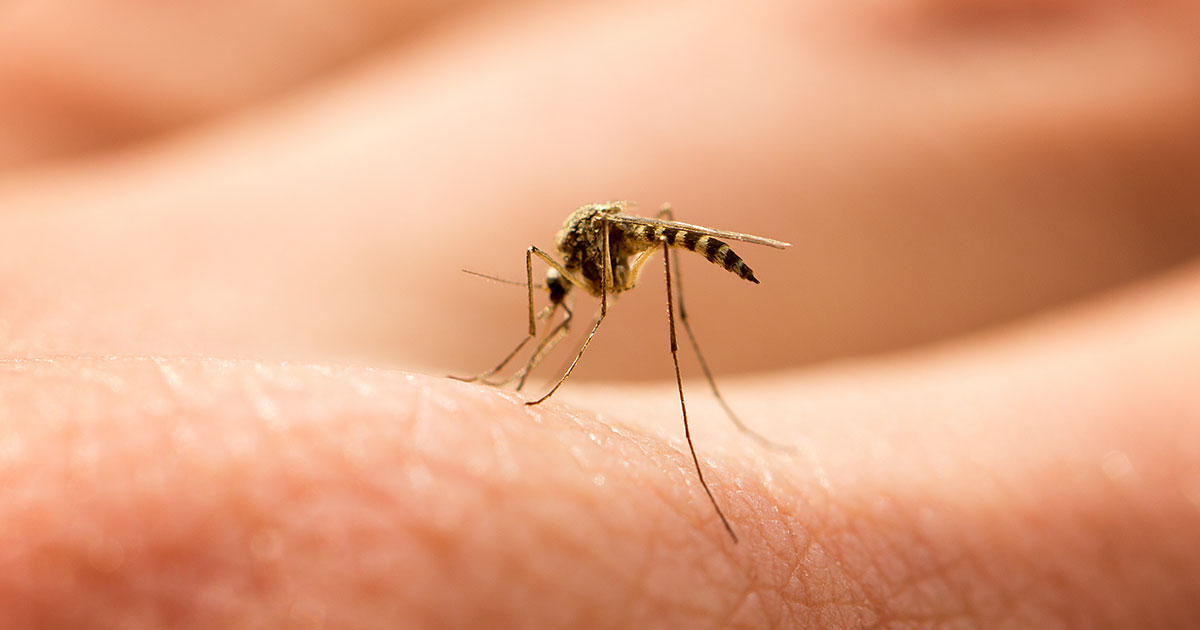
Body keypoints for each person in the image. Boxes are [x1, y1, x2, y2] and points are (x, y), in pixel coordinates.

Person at [2, 1, 1199, 626]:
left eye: (568, 297)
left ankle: (682, 401)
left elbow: (628, 245)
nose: (570, 295)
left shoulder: (607, 258)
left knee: (656, 268)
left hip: (652, 234)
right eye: (566, 299)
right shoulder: (570, 260)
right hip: (619, 226)